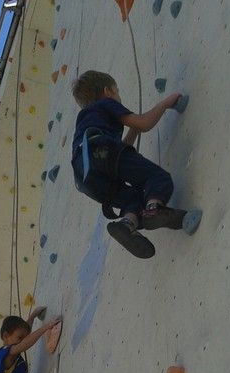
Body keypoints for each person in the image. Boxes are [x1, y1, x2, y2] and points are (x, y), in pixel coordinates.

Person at [71, 70, 201, 258]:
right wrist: (165, 103)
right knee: (156, 178)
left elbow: (113, 155)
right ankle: (154, 208)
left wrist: (133, 131)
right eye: (118, 92)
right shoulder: (105, 104)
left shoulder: (85, 120)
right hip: (101, 151)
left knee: (132, 199)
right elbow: (144, 123)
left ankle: (127, 224)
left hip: (85, 177)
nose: (118, 96)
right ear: (108, 91)